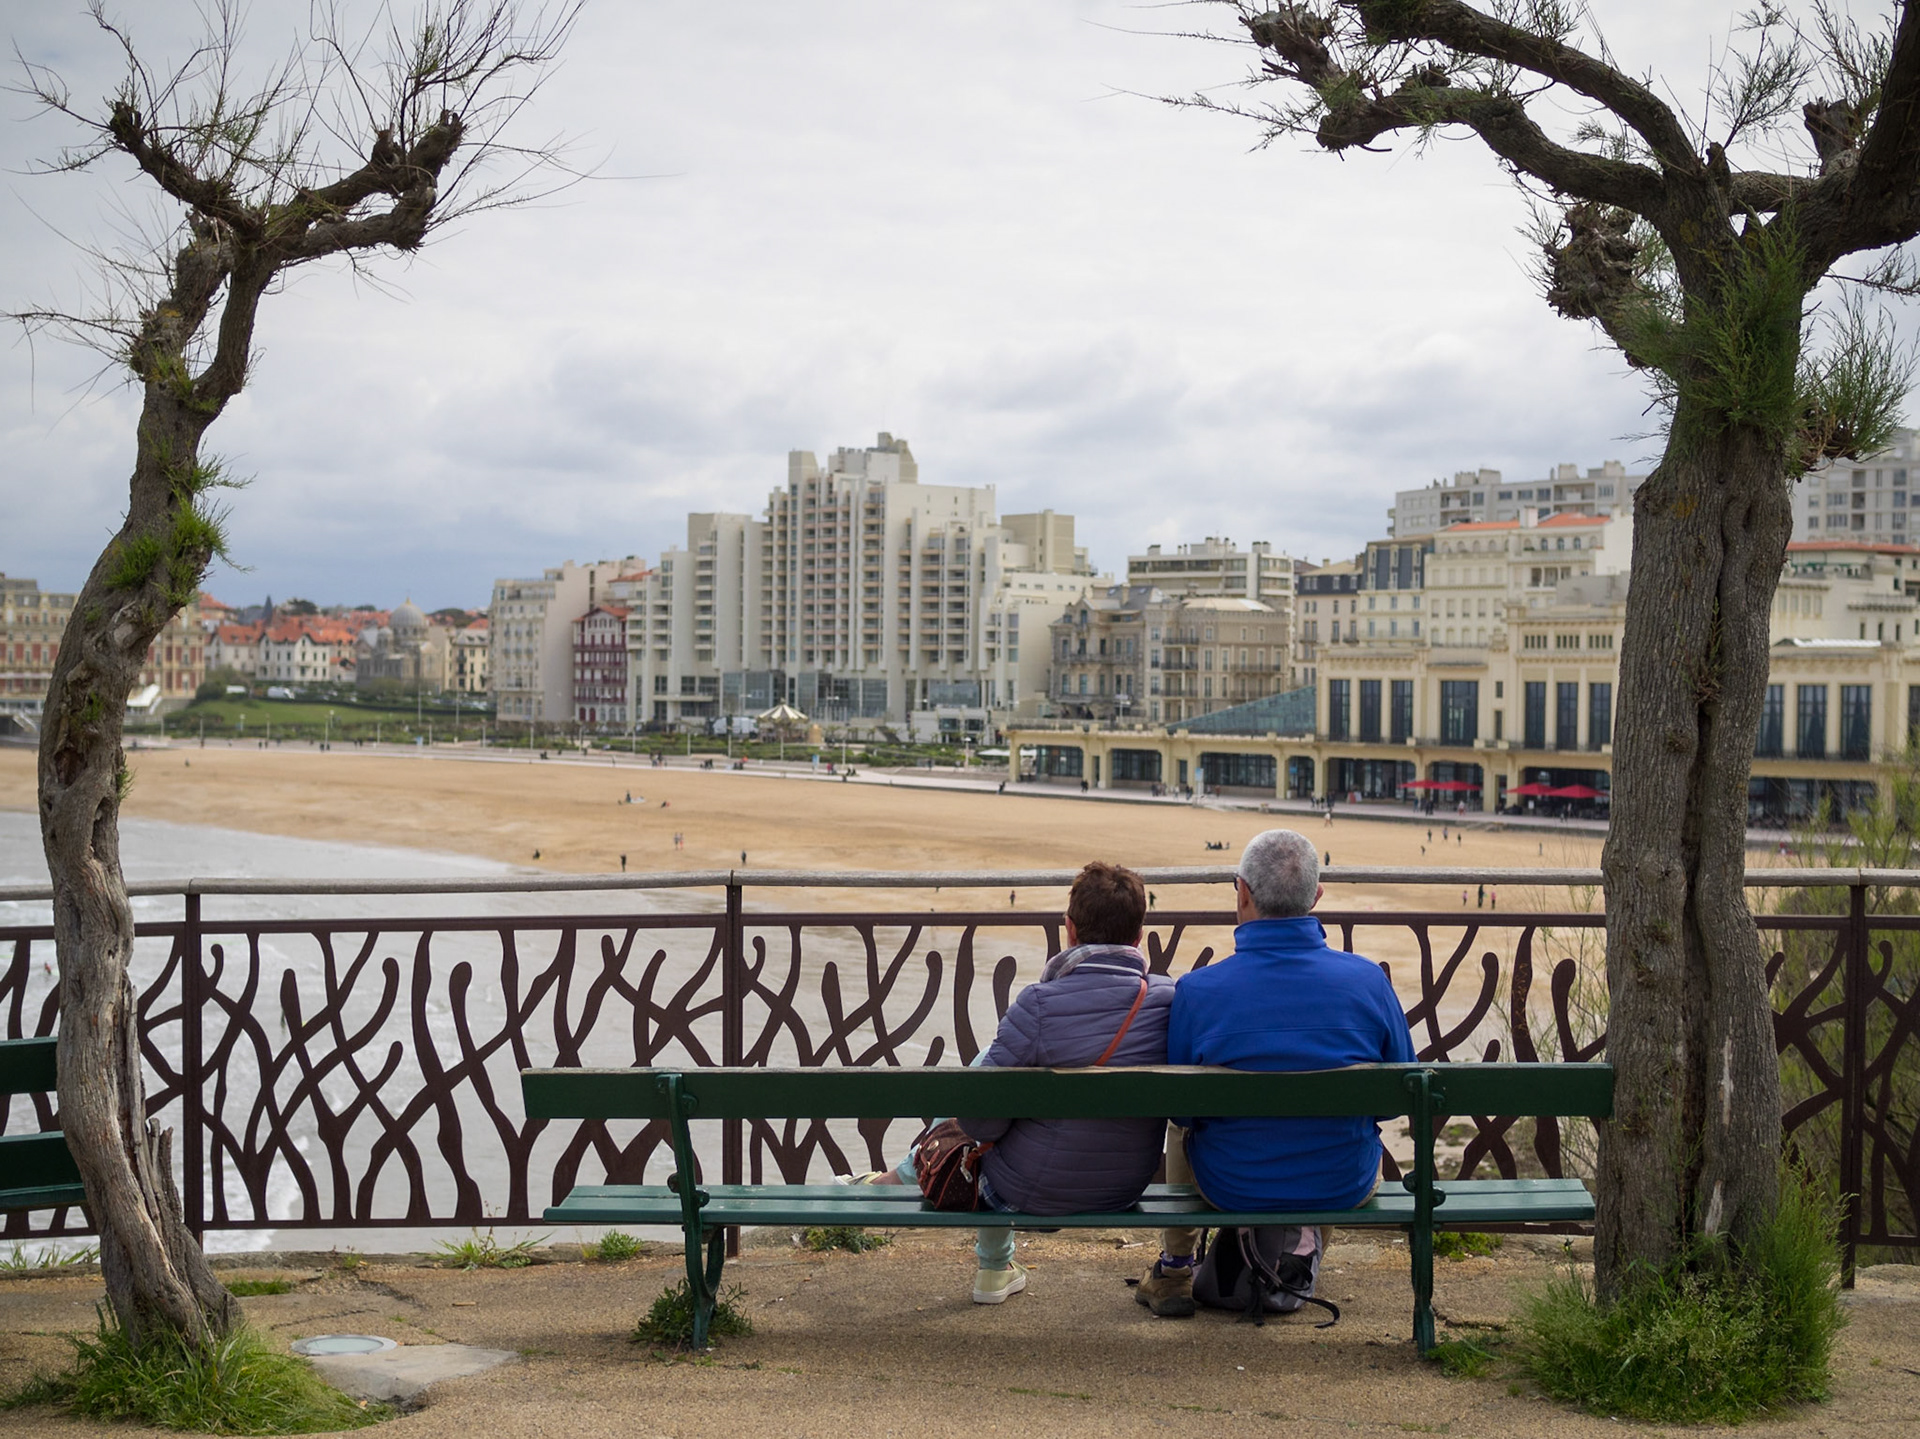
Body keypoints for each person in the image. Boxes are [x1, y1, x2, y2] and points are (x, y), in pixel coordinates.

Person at [845, 861, 1174, 1305]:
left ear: (1070, 930)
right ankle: (918, 1194)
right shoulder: (1166, 1002)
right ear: (1139, 936)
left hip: (1030, 1194)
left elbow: (979, 1122)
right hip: (1125, 1187)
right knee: (1001, 1084)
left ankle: (986, 1260)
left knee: (989, 1083)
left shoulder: (1036, 1005)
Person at [1136, 829, 1415, 1318]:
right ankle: (1301, 1248)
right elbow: (1395, 1096)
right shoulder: (1369, 981)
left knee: (1185, 1125)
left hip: (1229, 1184)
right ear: (1316, 897)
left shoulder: (1199, 991)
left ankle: (1177, 1266)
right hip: (1341, 1184)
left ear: (1241, 892)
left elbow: (1180, 1108)